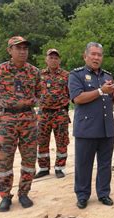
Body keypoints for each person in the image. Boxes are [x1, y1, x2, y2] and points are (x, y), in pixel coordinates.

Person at [0, 36, 40, 212]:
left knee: (29, 159)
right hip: (7, 121)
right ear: (10, 50)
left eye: (25, 48)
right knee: (4, 160)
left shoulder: (34, 72)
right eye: (18, 48)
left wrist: (30, 103)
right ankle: (5, 197)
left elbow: (39, 93)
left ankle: (24, 193)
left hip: (29, 120)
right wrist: (3, 107)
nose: (23, 51)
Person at [68, 42, 114, 209]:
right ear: (85, 56)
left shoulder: (107, 76)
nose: (96, 57)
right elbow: (77, 98)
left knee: (105, 164)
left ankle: (104, 193)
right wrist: (100, 91)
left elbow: (109, 102)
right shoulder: (76, 75)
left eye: (99, 55)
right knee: (84, 164)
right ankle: (82, 195)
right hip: (86, 129)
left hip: (106, 128)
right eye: (93, 54)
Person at [35, 48, 70, 179]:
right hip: (43, 113)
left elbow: (71, 93)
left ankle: (59, 168)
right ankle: (43, 168)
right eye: (51, 58)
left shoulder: (66, 75)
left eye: (56, 58)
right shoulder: (39, 74)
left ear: (59, 60)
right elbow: (34, 91)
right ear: (46, 59)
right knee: (42, 141)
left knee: (62, 141)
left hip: (60, 113)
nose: (53, 60)